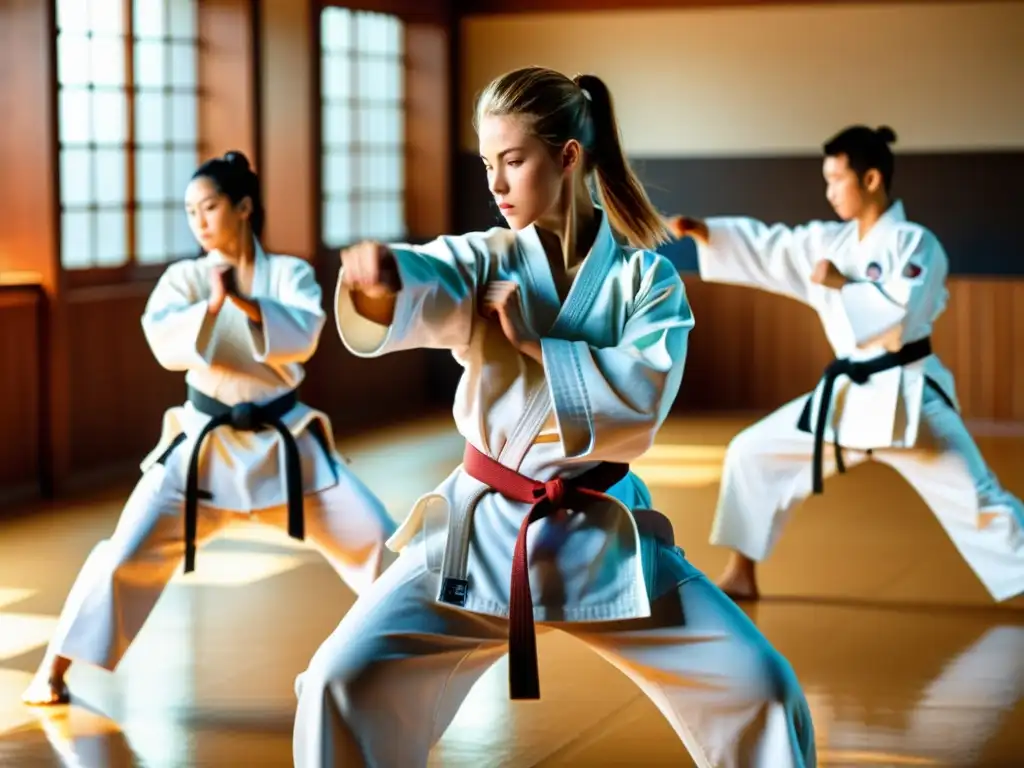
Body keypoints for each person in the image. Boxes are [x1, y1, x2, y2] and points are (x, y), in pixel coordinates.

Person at [292, 67, 816, 768]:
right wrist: (388, 285)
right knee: (337, 679)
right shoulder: (488, 259)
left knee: (764, 690)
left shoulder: (646, 281)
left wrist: (540, 347)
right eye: (487, 165)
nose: (496, 185)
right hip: (478, 533)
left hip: (605, 534)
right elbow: (435, 274)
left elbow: (642, 402)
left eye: (513, 161)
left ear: (568, 156)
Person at [22, 151, 397, 707]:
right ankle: (52, 669)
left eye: (210, 206)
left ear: (244, 207)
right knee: (123, 555)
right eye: (190, 210)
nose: (198, 221)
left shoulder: (288, 273)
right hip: (201, 449)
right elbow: (164, 341)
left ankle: (415, 654)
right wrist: (212, 307)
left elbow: (305, 336)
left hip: (286, 447)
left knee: (377, 538)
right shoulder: (184, 279)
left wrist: (241, 304)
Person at [666, 125, 1024, 602]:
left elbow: (903, 313)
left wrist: (842, 285)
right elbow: (774, 247)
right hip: (847, 399)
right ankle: (741, 571)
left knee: (977, 501)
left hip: (908, 398)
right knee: (752, 452)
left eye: (838, 179)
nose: (830, 191)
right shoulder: (829, 242)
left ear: (871, 179)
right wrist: (709, 233)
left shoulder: (915, 244)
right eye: (827, 180)